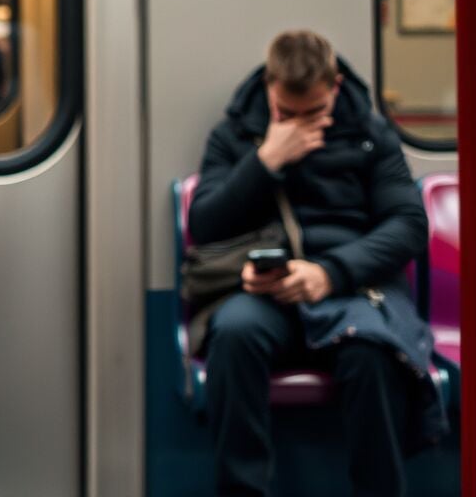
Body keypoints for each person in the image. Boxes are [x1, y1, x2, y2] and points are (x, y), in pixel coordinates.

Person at [188, 30, 443, 497]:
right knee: (235, 335)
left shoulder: (370, 136)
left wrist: (331, 273)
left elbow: (407, 225)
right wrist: (266, 160)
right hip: (268, 294)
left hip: (349, 286)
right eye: (287, 113)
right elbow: (204, 223)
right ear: (269, 87)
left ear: (336, 87)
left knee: (372, 352)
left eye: (315, 113)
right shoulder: (236, 135)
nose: (300, 126)